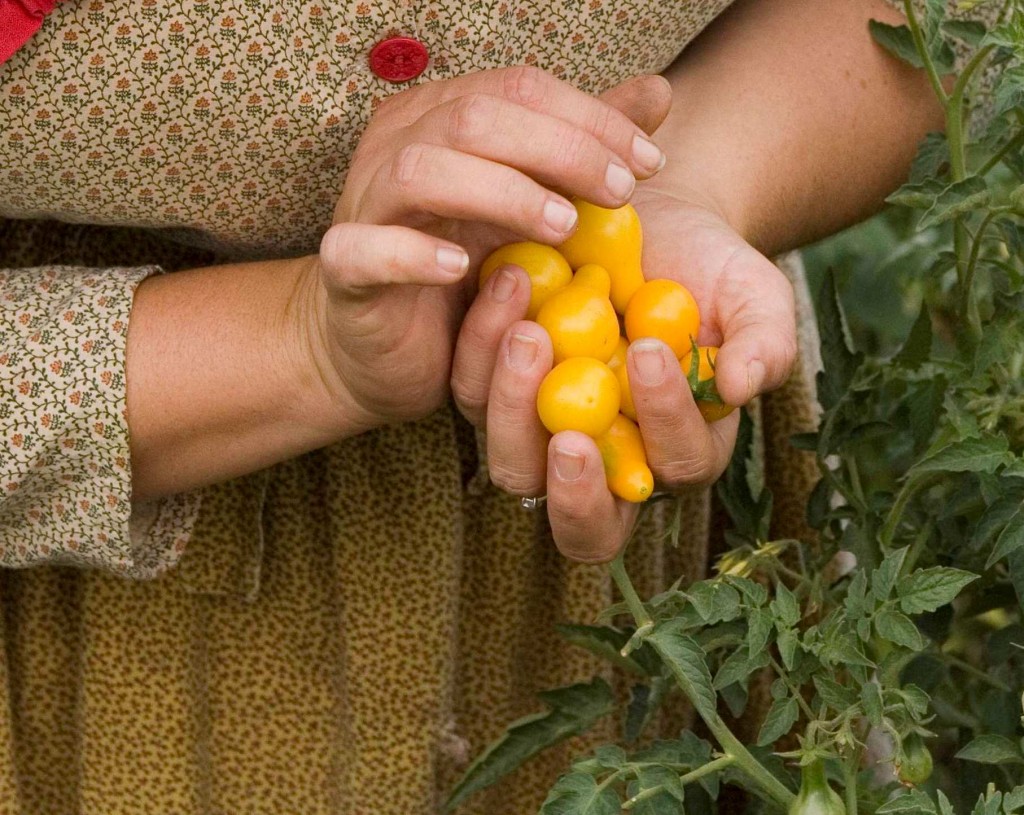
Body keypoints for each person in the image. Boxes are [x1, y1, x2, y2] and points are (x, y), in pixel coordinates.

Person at [0, 0, 986, 811]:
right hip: (103, 613)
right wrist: (298, 345)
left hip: (660, 568)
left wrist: (690, 181)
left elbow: (945, 19)